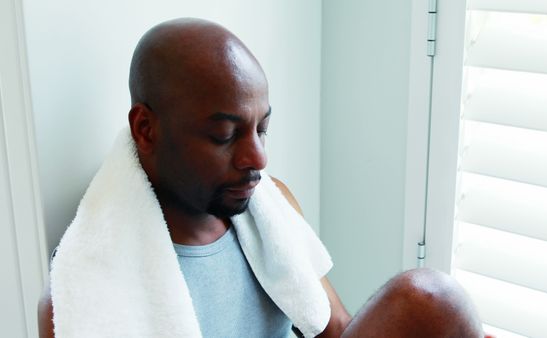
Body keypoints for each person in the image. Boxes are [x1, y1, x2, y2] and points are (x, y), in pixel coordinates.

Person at [38, 18, 487, 338]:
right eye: (225, 135)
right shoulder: (85, 290)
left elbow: (333, 330)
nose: (258, 157)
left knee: (430, 299)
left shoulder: (274, 207)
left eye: (262, 128)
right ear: (146, 129)